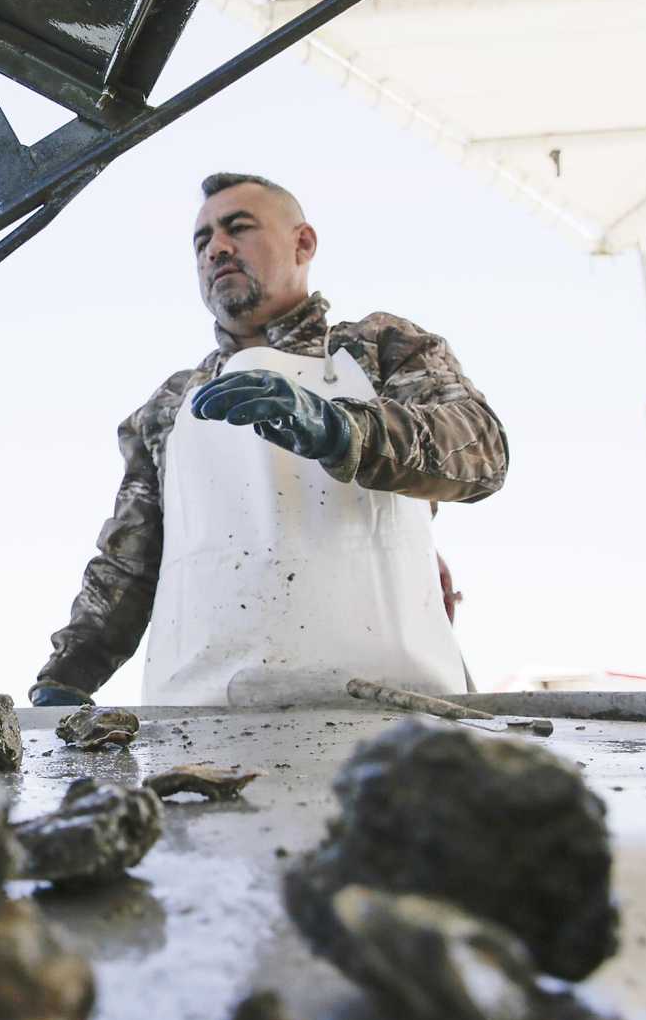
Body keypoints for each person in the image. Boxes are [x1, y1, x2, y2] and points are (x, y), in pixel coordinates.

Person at [29, 173, 508, 708]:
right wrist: (66, 676)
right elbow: (129, 566)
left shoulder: (378, 349)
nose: (218, 248)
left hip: (391, 710)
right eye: (202, 240)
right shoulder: (168, 406)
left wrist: (342, 429)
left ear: (303, 243)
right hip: (205, 720)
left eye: (238, 227)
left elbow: (482, 451)